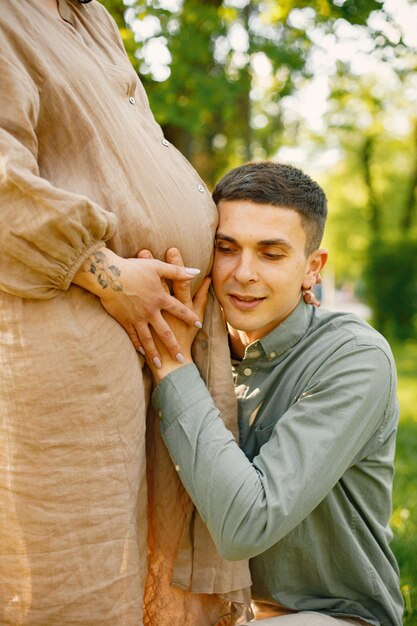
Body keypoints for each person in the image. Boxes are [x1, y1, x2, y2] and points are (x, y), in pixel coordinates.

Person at [0, 1, 252, 624]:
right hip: (69, 335)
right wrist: (103, 272)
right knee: (78, 569)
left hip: (155, 344)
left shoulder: (94, 21)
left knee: (150, 562)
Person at [144, 161, 404, 626]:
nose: (244, 273)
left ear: (312, 269)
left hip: (330, 615)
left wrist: (175, 372)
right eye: (227, 249)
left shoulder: (354, 358)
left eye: (271, 253)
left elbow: (248, 525)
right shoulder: (204, 347)